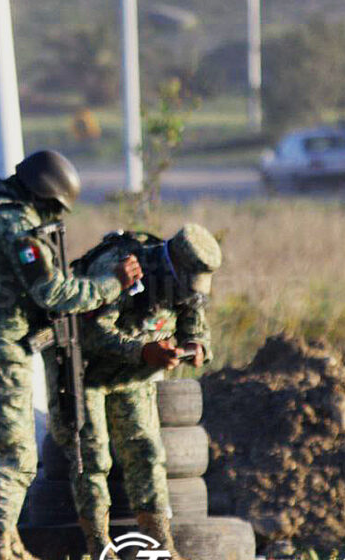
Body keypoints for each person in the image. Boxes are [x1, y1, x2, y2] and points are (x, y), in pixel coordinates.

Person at [0, 150, 143, 560]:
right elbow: (53, 293)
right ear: (44, 197)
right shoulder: (17, 225)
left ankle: (7, 541)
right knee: (16, 459)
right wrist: (110, 284)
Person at [49, 224, 222, 560]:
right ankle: (98, 544)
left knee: (146, 451)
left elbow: (195, 322)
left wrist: (196, 345)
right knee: (92, 457)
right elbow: (91, 333)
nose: (189, 293)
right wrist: (143, 351)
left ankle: (160, 544)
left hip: (132, 376)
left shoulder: (186, 283)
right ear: (172, 263)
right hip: (84, 374)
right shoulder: (120, 267)